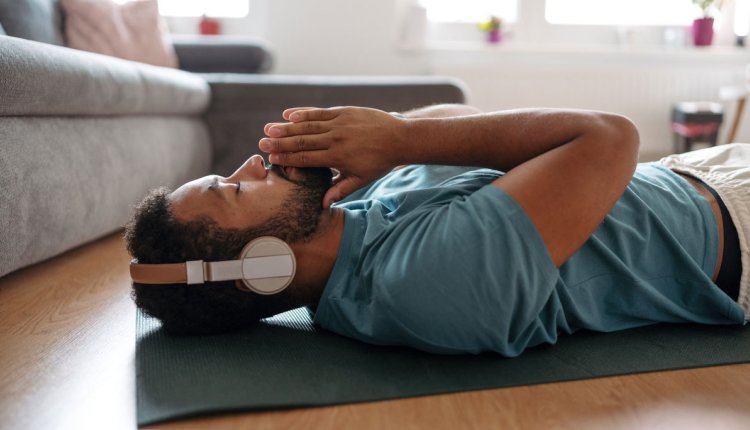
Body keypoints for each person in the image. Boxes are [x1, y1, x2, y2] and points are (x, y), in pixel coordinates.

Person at [126, 104, 749, 357]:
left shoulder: (354, 221)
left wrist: (381, 139)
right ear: (261, 266)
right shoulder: (421, 283)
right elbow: (609, 136)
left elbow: (463, 130)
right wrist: (401, 139)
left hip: (688, 173)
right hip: (733, 228)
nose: (252, 163)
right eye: (234, 190)